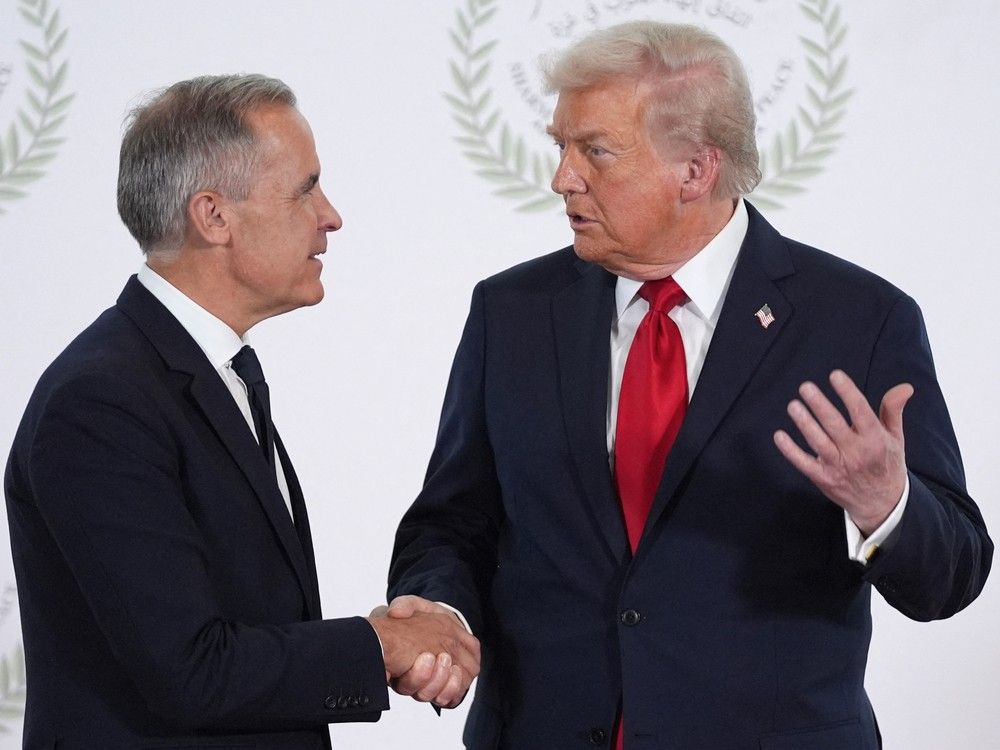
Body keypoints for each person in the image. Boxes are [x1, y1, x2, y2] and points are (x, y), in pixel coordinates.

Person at [386, 22, 992, 749]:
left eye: (595, 152)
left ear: (697, 170)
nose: (562, 177)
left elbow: (952, 576)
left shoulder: (857, 320)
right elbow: (451, 523)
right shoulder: (512, 312)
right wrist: (444, 619)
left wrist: (889, 507)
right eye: (561, 146)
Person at [4, 74, 478, 749]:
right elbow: (189, 669)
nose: (331, 216)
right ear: (214, 216)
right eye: (305, 189)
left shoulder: (208, 372)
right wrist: (380, 647)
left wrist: (390, 643)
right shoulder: (102, 401)